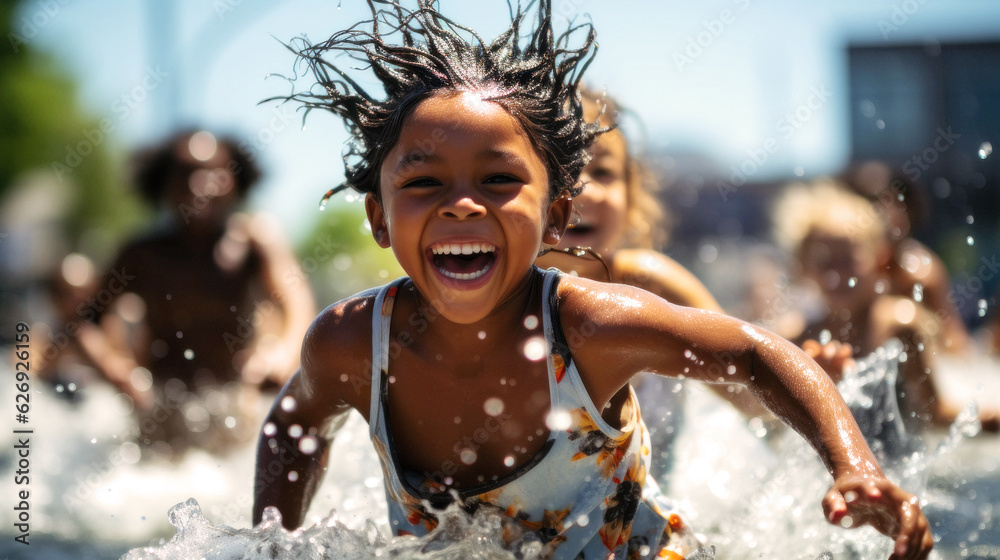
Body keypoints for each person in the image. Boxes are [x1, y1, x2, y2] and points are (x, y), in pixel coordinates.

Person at [253, 3, 933, 559]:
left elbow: (753, 353)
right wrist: (270, 544)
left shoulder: (590, 326)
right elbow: (290, 426)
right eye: (425, 183)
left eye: (498, 180)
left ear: (555, 215)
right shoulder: (351, 345)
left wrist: (855, 467)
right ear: (379, 217)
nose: (461, 205)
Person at [75, 129, 316, 458]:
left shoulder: (254, 241)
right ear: (162, 183)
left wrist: (280, 355)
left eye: (215, 173)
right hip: (159, 411)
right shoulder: (142, 254)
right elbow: (84, 321)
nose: (200, 185)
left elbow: (296, 304)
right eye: (185, 173)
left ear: (236, 181)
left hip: (233, 407)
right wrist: (120, 374)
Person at [773, 178, 999, 433]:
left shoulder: (899, 325)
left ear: (878, 258)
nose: (837, 274)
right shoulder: (796, 337)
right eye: (825, 262)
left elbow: (934, 412)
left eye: (848, 261)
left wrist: (991, 419)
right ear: (803, 267)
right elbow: (767, 415)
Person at [841, 161, 972, 354]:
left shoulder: (921, 272)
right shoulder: (843, 266)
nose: (886, 213)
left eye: (897, 204)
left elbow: (954, 343)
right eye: (873, 203)